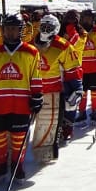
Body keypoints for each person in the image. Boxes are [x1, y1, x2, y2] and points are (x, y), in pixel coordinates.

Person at [0, 14, 43, 183]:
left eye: (15, 29)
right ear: (3, 31)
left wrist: (36, 96)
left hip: (21, 103)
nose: (11, 32)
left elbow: (35, 77)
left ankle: (17, 164)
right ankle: (0, 165)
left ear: (20, 31)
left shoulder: (31, 52)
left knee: (18, 136)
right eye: (8, 29)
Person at [31, 14, 80, 162]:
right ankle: (10, 154)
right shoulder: (30, 44)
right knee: (18, 124)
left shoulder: (64, 46)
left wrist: (77, 89)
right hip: (30, 90)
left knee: (47, 124)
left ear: (56, 28)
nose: (45, 30)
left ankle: (44, 152)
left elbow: (73, 70)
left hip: (52, 91)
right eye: (43, 26)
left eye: (49, 27)